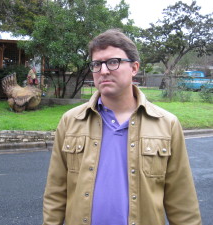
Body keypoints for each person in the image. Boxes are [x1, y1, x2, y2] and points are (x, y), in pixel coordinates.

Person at [42, 29, 202, 225]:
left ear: (134, 68)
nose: (103, 71)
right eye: (96, 64)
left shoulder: (167, 124)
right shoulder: (70, 121)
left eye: (113, 62)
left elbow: (182, 200)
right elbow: (55, 193)